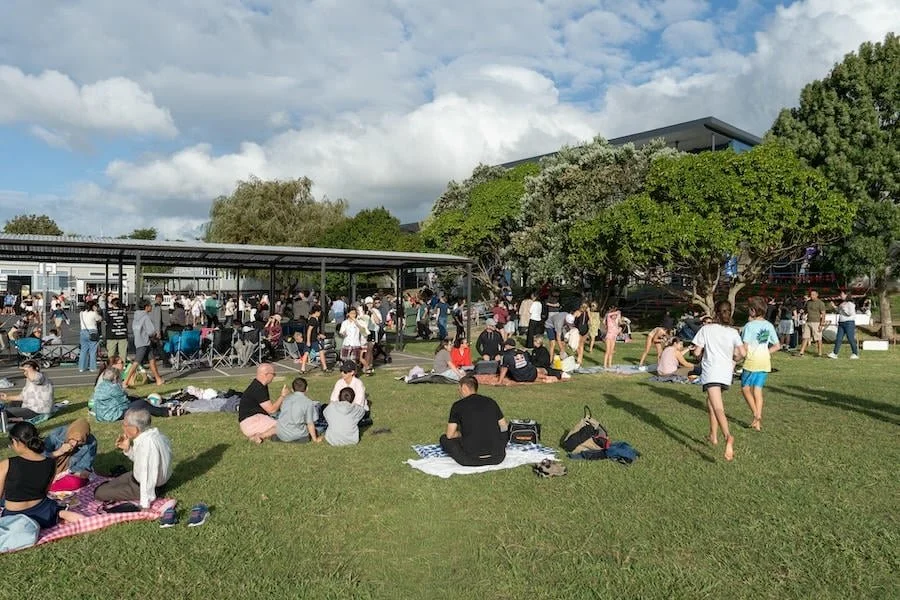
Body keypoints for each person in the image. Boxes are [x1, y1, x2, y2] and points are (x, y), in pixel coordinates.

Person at [691, 300, 746, 462]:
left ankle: (728, 436)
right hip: (725, 373)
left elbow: (697, 352)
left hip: (711, 372)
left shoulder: (706, 329)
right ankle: (713, 435)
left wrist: (698, 354)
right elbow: (741, 353)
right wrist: (734, 357)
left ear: (715, 313)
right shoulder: (733, 332)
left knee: (718, 407)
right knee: (711, 401)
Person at [0, 423, 83, 528]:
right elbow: (45, 491)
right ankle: (60, 514)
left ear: (17, 442)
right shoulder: (51, 463)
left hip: (14, 515)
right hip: (43, 513)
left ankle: (57, 515)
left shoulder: (7, 464)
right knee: (51, 506)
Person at [94, 407, 173, 509]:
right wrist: (128, 449)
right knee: (106, 485)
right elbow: (141, 461)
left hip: (143, 487)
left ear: (134, 429)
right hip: (135, 477)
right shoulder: (155, 435)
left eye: (125, 425)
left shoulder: (148, 444)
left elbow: (147, 475)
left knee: (99, 493)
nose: (123, 427)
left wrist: (144, 504)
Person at [439, 375, 508, 466]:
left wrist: (461, 433)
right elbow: (504, 426)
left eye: (459, 388)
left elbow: (450, 435)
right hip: (497, 457)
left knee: (444, 439)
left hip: (471, 459)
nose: (459, 391)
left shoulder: (458, 405)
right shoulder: (491, 402)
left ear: (464, 387)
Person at [740, 296, 781, 431]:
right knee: (758, 390)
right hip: (764, 361)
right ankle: (757, 423)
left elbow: (744, 347)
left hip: (752, 362)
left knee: (745, 389)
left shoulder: (749, 326)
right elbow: (777, 345)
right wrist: (766, 352)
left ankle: (756, 414)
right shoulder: (769, 325)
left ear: (753, 311)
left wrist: (737, 358)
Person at [238, 363, 289, 444]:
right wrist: (282, 396)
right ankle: (260, 436)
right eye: (273, 374)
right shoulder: (258, 388)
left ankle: (258, 434)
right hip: (251, 422)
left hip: (253, 419)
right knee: (284, 426)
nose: (274, 376)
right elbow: (272, 410)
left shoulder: (259, 385)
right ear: (266, 374)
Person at [43, 418, 98, 492]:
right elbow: (41, 456)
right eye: (73, 439)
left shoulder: (91, 442)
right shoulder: (56, 434)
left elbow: (83, 466)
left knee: (77, 482)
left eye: (79, 442)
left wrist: (80, 473)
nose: (74, 443)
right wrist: (60, 451)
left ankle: (49, 487)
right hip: (48, 467)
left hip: (67, 471)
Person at [276, 377, 323, 443]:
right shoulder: (308, 402)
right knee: (320, 428)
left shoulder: (285, 399)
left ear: (292, 389)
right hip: (297, 434)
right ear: (307, 389)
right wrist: (315, 439)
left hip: (281, 433)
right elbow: (310, 423)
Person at [132, 299, 165, 386]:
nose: (151, 307)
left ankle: (158, 379)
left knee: (152, 360)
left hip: (142, 341)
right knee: (136, 362)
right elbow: (151, 331)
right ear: (146, 307)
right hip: (143, 342)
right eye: (150, 306)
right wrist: (156, 334)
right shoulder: (145, 317)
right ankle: (126, 381)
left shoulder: (136, 316)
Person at [339, 307, 371, 374]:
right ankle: (347, 373)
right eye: (351, 313)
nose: (353, 315)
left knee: (354, 360)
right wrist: (343, 333)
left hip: (355, 344)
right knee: (346, 360)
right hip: (347, 343)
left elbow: (363, 331)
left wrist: (357, 323)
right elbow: (341, 332)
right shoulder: (345, 323)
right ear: (348, 314)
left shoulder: (358, 322)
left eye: (354, 313)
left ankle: (354, 373)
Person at [828, 291, 859, 359]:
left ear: (846, 295)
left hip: (849, 323)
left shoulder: (850, 304)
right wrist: (834, 306)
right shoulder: (843, 303)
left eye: (842, 294)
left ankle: (855, 353)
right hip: (841, 323)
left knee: (850, 338)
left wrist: (843, 308)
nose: (840, 296)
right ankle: (835, 353)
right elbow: (839, 311)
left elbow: (850, 313)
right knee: (838, 338)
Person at [797, 290, 827, 357]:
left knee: (818, 338)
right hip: (808, 322)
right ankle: (801, 352)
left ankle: (820, 353)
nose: (812, 296)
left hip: (816, 322)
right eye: (811, 294)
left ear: (817, 295)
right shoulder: (808, 302)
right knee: (805, 337)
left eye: (813, 294)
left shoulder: (820, 303)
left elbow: (823, 314)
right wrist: (802, 311)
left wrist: (821, 324)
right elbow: (805, 310)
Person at [78, 300, 103, 373]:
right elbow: (100, 319)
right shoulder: (94, 313)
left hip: (83, 331)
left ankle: (82, 367)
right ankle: (92, 367)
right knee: (92, 350)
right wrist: (96, 311)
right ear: (93, 306)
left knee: (83, 350)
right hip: (92, 332)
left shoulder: (81, 313)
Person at [306, 305, 329, 372]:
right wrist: (308, 341)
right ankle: (325, 367)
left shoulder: (313, 319)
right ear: (316, 312)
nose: (320, 314)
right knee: (321, 351)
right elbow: (309, 330)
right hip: (313, 340)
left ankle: (303, 368)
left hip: (313, 339)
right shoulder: (313, 320)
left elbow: (313, 331)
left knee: (306, 353)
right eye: (319, 312)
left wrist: (319, 335)